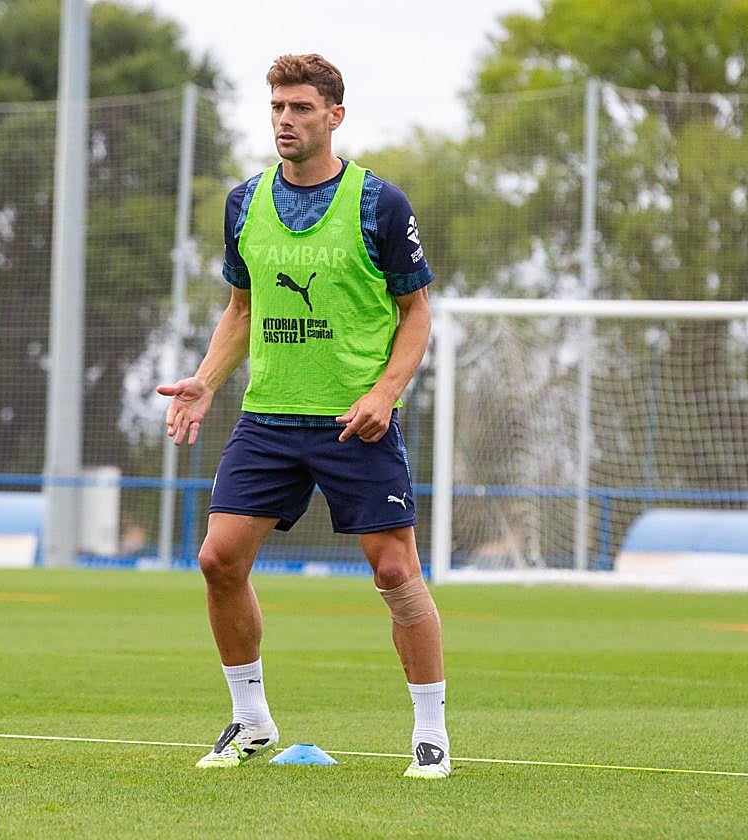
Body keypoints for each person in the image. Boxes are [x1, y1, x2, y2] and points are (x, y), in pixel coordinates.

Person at [156, 53, 449, 780]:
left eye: (301, 109)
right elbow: (242, 308)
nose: (286, 120)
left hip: (356, 421)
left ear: (334, 116)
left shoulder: (381, 203)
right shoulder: (244, 201)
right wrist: (204, 381)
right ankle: (251, 721)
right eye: (278, 108)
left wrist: (383, 393)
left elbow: (417, 316)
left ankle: (431, 733)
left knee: (394, 572)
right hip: (268, 419)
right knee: (218, 560)